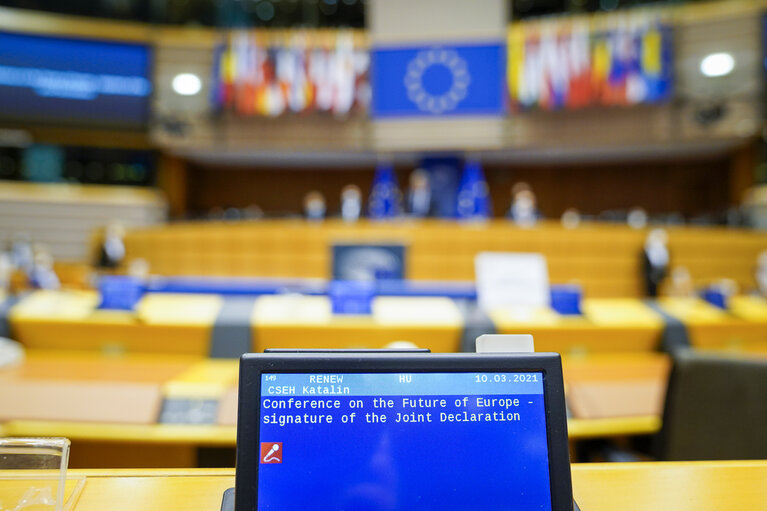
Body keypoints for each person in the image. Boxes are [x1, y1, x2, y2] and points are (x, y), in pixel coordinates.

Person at [641, 228, 670, 297]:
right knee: (650, 290)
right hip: (649, 273)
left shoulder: (664, 250)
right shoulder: (647, 250)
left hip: (660, 272)